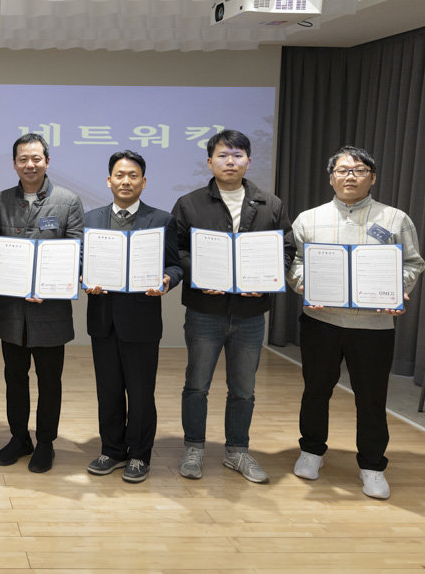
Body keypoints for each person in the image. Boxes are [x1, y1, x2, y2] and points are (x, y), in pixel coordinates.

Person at [286, 146, 423, 500]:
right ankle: (312, 451)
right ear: (331, 177)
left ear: (372, 178)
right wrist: (304, 285)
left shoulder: (395, 219)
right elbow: (296, 262)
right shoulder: (309, 218)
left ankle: (373, 466)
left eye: (359, 170)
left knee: (372, 397)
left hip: (374, 327)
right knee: (316, 390)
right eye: (343, 170)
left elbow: (412, 263)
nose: (350, 176)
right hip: (321, 321)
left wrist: (397, 291)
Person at [170, 129, 294, 483]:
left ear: (248, 161)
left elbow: (285, 249)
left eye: (237, 155)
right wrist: (201, 273)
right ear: (210, 161)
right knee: (197, 384)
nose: (230, 161)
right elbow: (176, 251)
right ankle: (194, 447)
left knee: (244, 388)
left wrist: (266, 280)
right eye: (223, 155)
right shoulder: (190, 203)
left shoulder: (270, 204)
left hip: (250, 314)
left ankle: (237, 451)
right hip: (204, 311)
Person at [83, 150, 182, 483]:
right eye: (120, 175)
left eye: (133, 175)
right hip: (103, 318)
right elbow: (82, 262)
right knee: (108, 390)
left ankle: (139, 455)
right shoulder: (92, 219)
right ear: (109, 180)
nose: (126, 181)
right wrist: (84, 277)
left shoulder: (162, 220)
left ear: (143, 181)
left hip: (141, 319)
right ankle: (111, 450)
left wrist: (168, 279)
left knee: (140, 393)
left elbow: (174, 264)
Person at [0, 133, 83, 474]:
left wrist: (52, 285)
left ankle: (45, 442)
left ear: (47, 160)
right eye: (22, 159)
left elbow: (77, 252)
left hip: (51, 311)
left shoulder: (68, 200)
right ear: (14, 163)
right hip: (12, 311)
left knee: (49, 381)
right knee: (14, 378)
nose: (30, 164)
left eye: (36, 158)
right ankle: (19, 438)